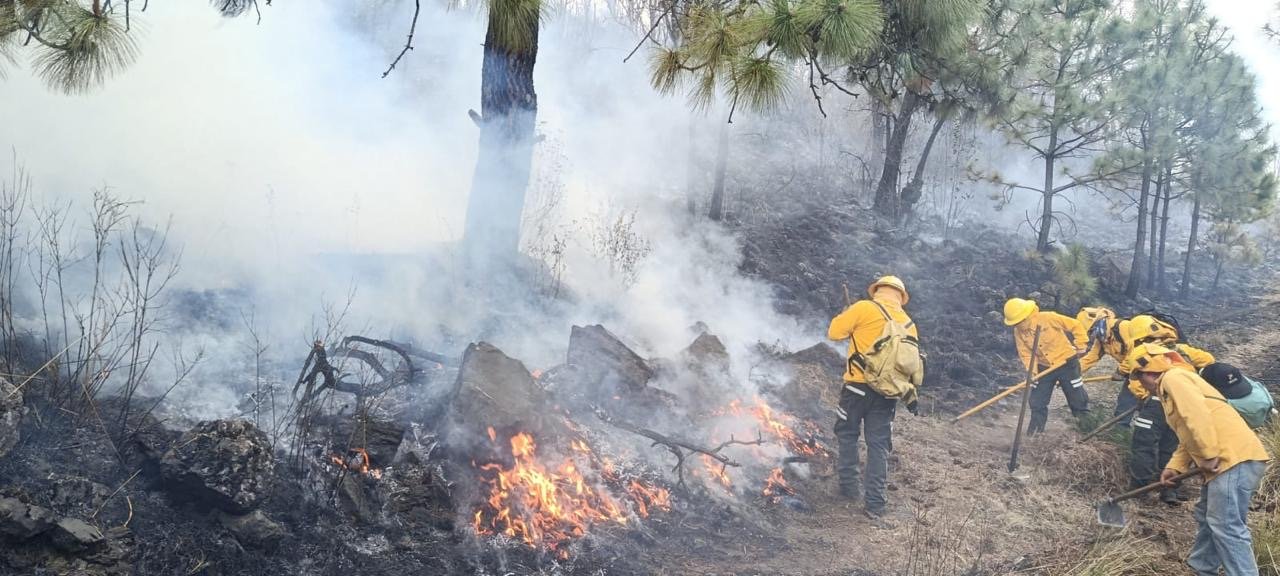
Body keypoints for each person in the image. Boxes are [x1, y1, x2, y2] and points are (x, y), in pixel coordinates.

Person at [1127, 344, 1270, 576]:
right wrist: (1175, 467)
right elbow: (1189, 433)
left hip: (1232, 458)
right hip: (1231, 459)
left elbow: (1197, 416)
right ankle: (1202, 568)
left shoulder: (1173, 378)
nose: (1139, 384)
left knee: (1226, 526)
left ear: (1148, 372)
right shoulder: (1174, 384)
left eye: (1138, 377)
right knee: (1207, 516)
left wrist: (1209, 454)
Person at [827, 275, 922, 524]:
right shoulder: (909, 323)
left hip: (857, 388)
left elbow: (834, 333)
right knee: (878, 446)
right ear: (901, 297)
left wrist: (846, 314)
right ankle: (875, 505)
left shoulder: (863, 308)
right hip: (887, 394)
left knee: (847, 434)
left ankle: (849, 489)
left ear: (877, 290)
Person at [1118, 314, 1218, 503]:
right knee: (1172, 446)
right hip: (1183, 403)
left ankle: (1139, 491)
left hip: (1156, 402)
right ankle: (1169, 491)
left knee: (1143, 444)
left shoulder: (1141, 354)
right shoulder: (1180, 350)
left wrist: (1144, 397)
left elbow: (1135, 382)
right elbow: (1208, 359)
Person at [1002, 298, 1089, 435]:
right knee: (1037, 401)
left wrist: (1081, 344)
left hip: (1067, 363)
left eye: (1019, 322)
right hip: (1044, 368)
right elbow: (1025, 353)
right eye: (1015, 323)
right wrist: (1032, 371)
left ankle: (1086, 428)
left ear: (1025, 316)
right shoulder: (1018, 331)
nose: (1017, 325)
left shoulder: (1048, 318)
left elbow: (1075, 325)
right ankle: (1035, 434)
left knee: (1077, 398)